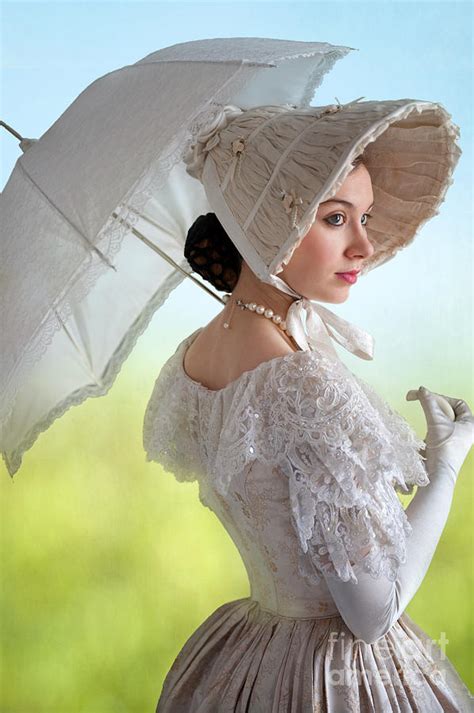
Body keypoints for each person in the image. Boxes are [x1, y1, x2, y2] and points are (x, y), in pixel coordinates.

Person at [143, 98, 474, 711]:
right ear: (267, 221)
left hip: (247, 656)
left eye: (366, 218)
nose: (364, 247)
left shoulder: (194, 358)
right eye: (335, 218)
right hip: (333, 678)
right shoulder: (302, 386)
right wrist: (447, 465)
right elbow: (372, 611)